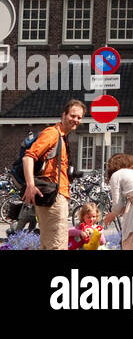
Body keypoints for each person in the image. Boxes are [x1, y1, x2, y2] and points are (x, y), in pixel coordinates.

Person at [22, 99, 84, 250]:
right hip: (54, 196)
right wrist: (30, 185)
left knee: (49, 244)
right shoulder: (52, 133)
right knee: (57, 245)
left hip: (55, 195)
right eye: (72, 115)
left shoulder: (62, 137)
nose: (75, 120)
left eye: (79, 117)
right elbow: (28, 157)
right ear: (64, 115)